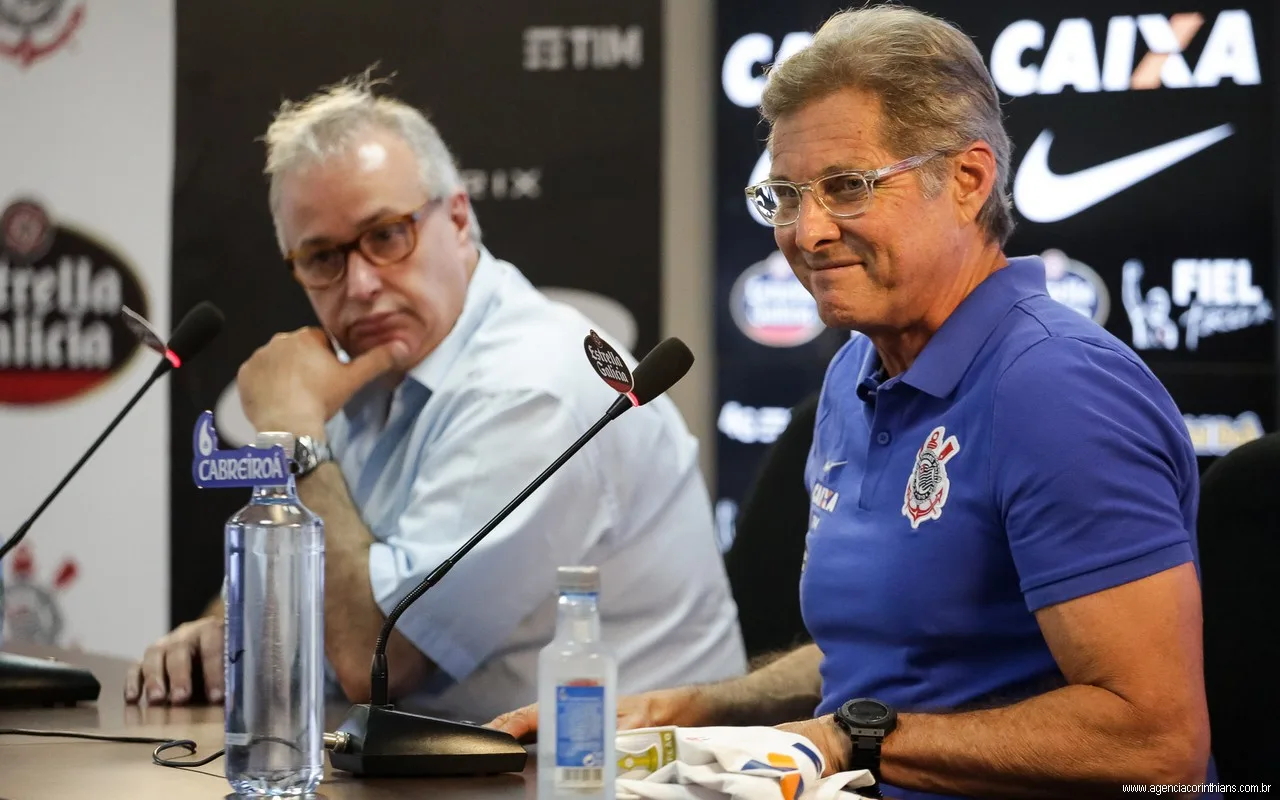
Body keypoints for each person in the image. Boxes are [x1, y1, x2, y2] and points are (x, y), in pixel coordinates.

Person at [490, 6, 1217, 798]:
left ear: (969, 180)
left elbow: (1154, 745)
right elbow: (880, 655)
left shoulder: (1057, 389)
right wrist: (692, 708)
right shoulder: (855, 371)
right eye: (786, 196)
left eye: (847, 187)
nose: (808, 232)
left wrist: (851, 740)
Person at [123, 74, 746, 721]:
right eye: (321, 258)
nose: (360, 284)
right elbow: (296, 587)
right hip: (456, 768)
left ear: (457, 219)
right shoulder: (372, 366)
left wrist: (296, 434)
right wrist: (219, 631)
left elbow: (376, 659)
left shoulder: (535, 386)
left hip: (614, 776)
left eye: (387, 235)